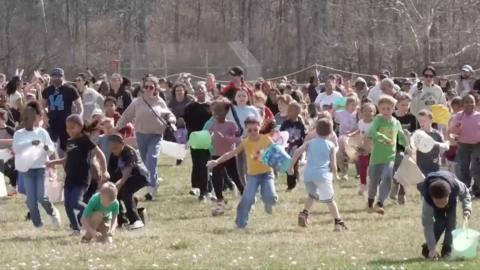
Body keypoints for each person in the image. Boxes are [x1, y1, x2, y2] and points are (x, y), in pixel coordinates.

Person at [207, 117, 278, 229]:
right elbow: (230, 153)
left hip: (267, 174)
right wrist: (216, 161)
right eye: (249, 130)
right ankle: (240, 224)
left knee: (271, 197)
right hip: (253, 176)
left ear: (259, 127)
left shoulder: (266, 139)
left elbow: (277, 152)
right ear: (245, 130)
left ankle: (268, 202)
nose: (253, 132)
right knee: (247, 199)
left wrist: (277, 161)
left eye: (255, 129)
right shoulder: (245, 143)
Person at [115, 76, 175, 201]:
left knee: (151, 159)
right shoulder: (137, 102)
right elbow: (126, 116)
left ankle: (151, 189)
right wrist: (117, 128)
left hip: (156, 135)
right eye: (146, 87)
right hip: (141, 135)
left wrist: (172, 120)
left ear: (155, 88)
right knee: (145, 164)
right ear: (142, 88)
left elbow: (168, 114)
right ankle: (155, 180)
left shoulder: (159, 101)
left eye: (151, 87)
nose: (148, 89)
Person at [47, 114, 108, 235]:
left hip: (82, 178)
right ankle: (76, 229)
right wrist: (52, 162)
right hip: (70, 178)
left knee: (75, 202)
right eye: (67, 128)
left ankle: (97, 214)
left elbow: (100, 154)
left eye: (72, 127)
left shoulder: (85, 140)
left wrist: (105, 170)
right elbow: (66, 159)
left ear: (80, 127)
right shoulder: (69, 141)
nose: (69, 130)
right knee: (67, 205)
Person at [290, 118, 347, 231]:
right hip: (322, 176)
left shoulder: (309, 142)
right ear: (331, 133)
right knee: (330, 199)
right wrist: (335, 175)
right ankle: (338, 222)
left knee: (313, 194)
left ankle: (304, 213)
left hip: (308, 175)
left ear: (316, 131)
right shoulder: (331, 145)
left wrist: (291, 166)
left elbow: (297, 152)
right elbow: (333, 164)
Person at [13, 101, 61, 230]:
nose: (30, 119)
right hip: (26, 170)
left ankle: (53, 213)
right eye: (27, 117)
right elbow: (16, 148)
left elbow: (51, 149)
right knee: (31, 201)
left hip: (40, 168)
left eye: (32, 116)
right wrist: (30, 143)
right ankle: (38, 225)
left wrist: (46, 148)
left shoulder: (42, 132)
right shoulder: (19, 134)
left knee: (41, 197)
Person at [367, 95, 410, 215]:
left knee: (387, 178)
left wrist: (407, 146)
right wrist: (384, 138)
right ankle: (370, 202)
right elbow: (372, 132)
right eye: (383, 109)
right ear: (379, 109)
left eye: (388, 108)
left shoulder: (396, 122)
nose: (386, 111)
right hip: (376, 157)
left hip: (390, 156)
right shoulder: (378, 120)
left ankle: (380, 203)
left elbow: (401, 135)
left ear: (393, 108)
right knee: (373, 182)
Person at [420, 171, 472, 260]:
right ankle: (428, 250)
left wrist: (467, 208)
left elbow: (466, 194)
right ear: (432, 197)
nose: (441, 205)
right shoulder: (428, 200)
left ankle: (447, 251)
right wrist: (432, 248)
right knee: (440, 224)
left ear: (449, 194)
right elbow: (427, 225)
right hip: (434, 205)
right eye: (438, 202)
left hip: (451, 203)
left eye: (443, 201)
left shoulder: (456, 186)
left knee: (451, 225)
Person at [209, 98, 243, 216]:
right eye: (213, 111)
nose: (215, 114)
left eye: (217, 111)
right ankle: (220, 201)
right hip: (215, 155)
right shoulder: (213, 124)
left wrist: (226, 138)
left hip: (229, 155)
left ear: (225, 111)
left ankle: (245, 197)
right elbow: (209, 135)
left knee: (235, 176)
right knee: (216, 178)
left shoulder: (231, 124)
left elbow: (238, 140)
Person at [108, 133, 149, 230]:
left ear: (122, 144)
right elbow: (111, 174)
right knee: (114, 194)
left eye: (116, 148)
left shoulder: (129, 152)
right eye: (111, 148)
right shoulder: (113, 155)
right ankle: (121, 220)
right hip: (126, 178)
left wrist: (117, 186)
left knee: (126, 191)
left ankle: (136, 220)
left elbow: (127, 173)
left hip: (139, 176)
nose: (114, 150)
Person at [41, 68, 83, 154]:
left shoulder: (70, 89)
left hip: (67, 123)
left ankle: (68, 166)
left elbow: (80, 106)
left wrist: (77, 119)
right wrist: (45, 118)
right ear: (51, 77)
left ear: (63, 77)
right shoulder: (47, 90)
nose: (56, 78)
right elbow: (42, 106)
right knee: (49, 148)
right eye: (54, 76)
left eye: (59, 76)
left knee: (68, 148)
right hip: (52, 123)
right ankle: (52, 166)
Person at [226, 88, 261, 186]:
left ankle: (252, 184)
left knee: (248, 163)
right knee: (238, 164)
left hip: (249, 140)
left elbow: (259, 124)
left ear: (247, 98)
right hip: (236, 140)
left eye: (244, 95)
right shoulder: (230, 110)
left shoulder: (253, 110)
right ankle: (243, 186)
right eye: (239, 96)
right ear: (235, 98)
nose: (241, 98)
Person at [183, 83, 213, 200]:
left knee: (204, 164)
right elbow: (187, 124)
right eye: (198, 89)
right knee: (196, 164)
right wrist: (188, 139)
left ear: (206, 91)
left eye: (202, 88)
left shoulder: (211, 106)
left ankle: (204, 191)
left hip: (207, 138)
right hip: (195, 138)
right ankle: (197, 187)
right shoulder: (189, 107)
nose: (200, 90)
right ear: (194, 92)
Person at [449, 94, 480, 197]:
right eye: (467, 102)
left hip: (477, 146)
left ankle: (477, 190)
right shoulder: (458, 116)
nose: (469, 104)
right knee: (463, 168)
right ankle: (465, 190)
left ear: (475, 103)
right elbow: (452, 131)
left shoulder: (478, 115)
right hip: (463, 145)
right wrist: (456, 127)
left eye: (472, 102)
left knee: (476, 168)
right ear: (462, 104)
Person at [390, 92, 418, 204]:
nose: (405, 107)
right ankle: (394, 185)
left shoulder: (411, 117)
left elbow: (416, 132)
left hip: (406, 148)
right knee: (393, 172)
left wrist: (409, 134)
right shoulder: (392, 117)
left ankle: (402, 194)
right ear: (396, 105)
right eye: (402, 105)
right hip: (393, 147)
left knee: (404, 171)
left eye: (407, 105)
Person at [280, 102, 306, 191]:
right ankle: (291, 184)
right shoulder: (285, 124)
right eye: (290, 110)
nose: (291, 113)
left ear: (298, 112)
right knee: (288, 166)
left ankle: (292, 184)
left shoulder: (301, 125)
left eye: (294, 111)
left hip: (297, 149)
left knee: (294, 165)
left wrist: (302, 146)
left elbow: (304, 136)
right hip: (287, 149)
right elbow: (281, 135)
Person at [415, 110, 449, 176]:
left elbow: (446, 147)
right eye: (420, 121)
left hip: (434, 166)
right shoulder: (416, 133)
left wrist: (434, 143)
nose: (421, 123)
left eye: (424, 121)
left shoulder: (437, 134)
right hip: (420, 167)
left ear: (431, 120)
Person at [335, 96, 359, 181]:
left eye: (355, 104)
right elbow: (336, 105)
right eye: (352, 104)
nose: (354, 107)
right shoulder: (341, 113)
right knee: (341, 154)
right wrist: (344, 97)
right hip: (343, 136)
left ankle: (359, 172)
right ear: (346, 105)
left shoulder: (358, 113)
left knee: (356, 153)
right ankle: (344, 173)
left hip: (355, 136)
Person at [356, 102, 376, 196]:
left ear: (374, 112)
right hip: (363, 149)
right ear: (361, 112)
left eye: (370, 111)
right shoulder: (360, 122)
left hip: (374, 150)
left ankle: (373, 185)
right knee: (362, 167)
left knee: (373, 168)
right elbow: (359, 133)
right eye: (365, 111)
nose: (367, 113)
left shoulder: (375, 123)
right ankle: (363, 185)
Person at [444, 97, 463, 173]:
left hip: (457, 147)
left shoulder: (462, 118)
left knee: (456, 168)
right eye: (455, 109)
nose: (456, 111)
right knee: (454, 169)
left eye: (458, 109)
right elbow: (448, 133)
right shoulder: (453, 118)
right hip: (454, 147)